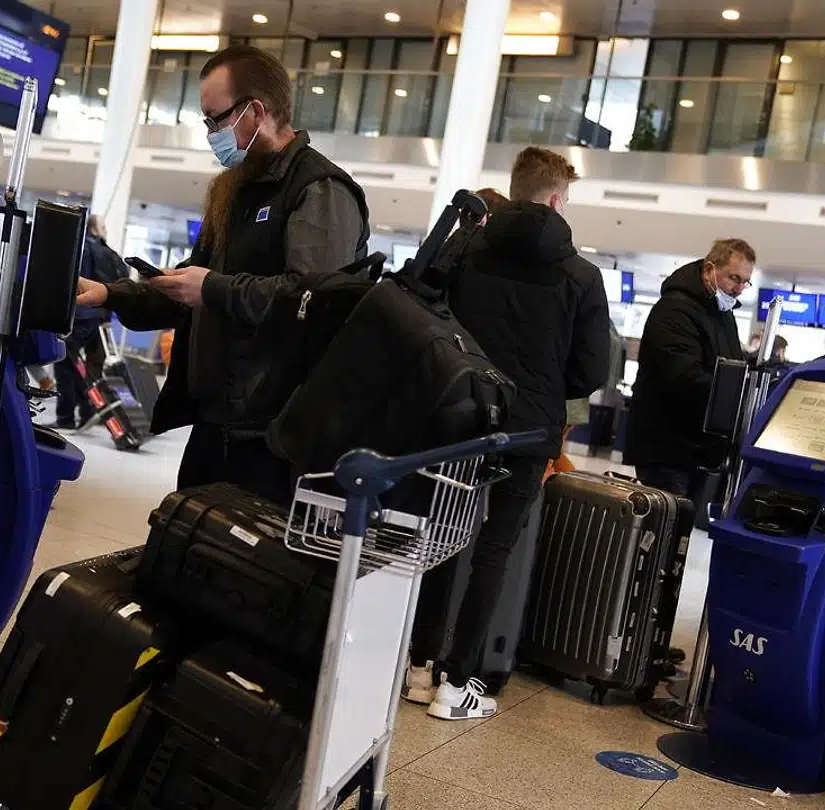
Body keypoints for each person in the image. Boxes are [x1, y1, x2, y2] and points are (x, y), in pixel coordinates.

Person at [74, 45, 369, 504]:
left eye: (216, 119)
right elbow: (187, 292)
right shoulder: (233, 191)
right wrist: (110, 294)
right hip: (217, 421)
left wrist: (212, 287)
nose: (211, 133)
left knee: (240, 568)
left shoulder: (319, 190)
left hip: (273, 436)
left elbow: (313, 302)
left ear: (255, 111)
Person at [403, 146, 611, 721]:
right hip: (530, 427)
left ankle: (420, 668)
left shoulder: (467, 248)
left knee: (444, 534)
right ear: (556, 197)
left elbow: (431, 317)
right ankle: (458, 685)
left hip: (464, 413)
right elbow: (592, 371)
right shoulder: (582, 275)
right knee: (494, 551)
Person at [624, 239, 754, 498]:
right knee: (664, 530)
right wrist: (736, 395)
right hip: (667, 449)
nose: (739, 289)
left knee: (679, 534)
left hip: (699, 450)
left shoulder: (721, 314)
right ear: (709, 270)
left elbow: (731, 366)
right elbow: (684, 377)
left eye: (745, 282)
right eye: (734, 278)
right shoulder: (674, 310)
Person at [54, 215, 127, 430]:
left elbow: (77, 283)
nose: (105, 230)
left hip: (81, 315)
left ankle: (65, 419)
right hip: (101, 318)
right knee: (89, 368)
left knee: (65, 364)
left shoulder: (84, 249)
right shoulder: (110, 253)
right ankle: (87, 412)